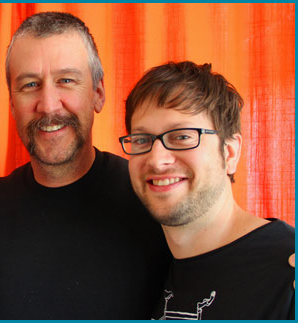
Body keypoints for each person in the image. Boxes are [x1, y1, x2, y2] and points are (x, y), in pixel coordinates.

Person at [0, 12, 171, 319]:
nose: (48, 105)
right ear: (12, 104)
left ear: (98, 93)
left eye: (66, 81)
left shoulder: (155, 201)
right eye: (29, 85)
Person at [121, 61, 295, 319]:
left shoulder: (288, 271)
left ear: (230, 152)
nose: (157, 160)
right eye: (142, 140)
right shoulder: (144, 265)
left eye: (182, 136)